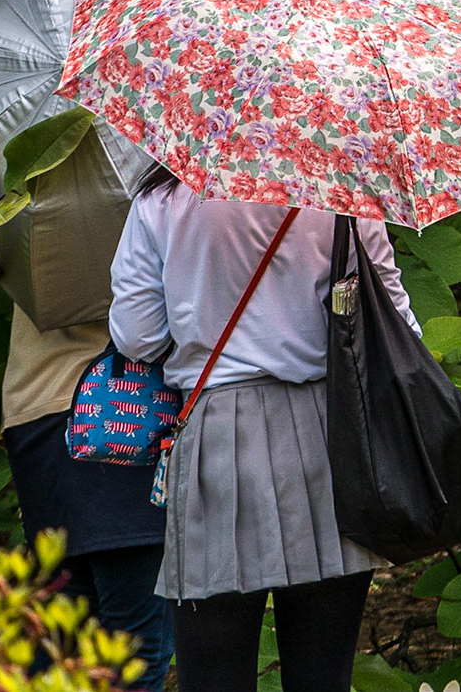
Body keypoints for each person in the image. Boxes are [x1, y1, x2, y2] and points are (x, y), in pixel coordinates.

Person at [108, 165, 422, 692]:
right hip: (331, 440)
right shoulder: (346, 191)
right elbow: (397, 324)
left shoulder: (163, 200)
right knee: (323, 677)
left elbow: (137, 337)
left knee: (213, 677)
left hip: (215, 442)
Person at [0, 142, 173, 692]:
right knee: (135, 644)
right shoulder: (141, 166)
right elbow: (144, 326)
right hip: (121, 414)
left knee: (62, 640)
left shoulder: (12, 169)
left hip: (34, 409)